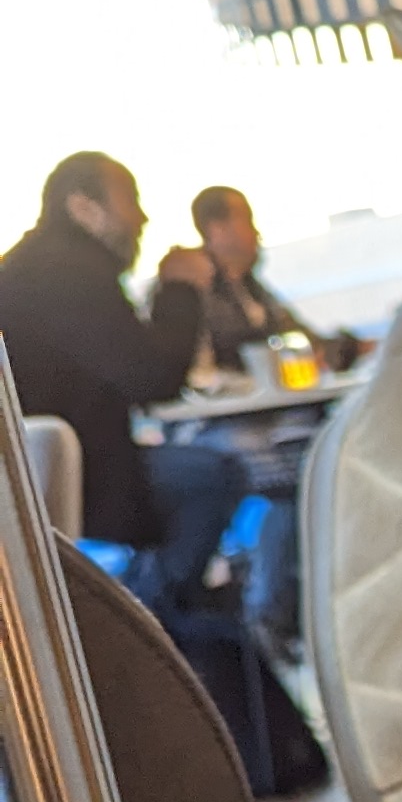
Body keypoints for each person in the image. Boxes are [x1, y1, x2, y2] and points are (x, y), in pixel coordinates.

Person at [0, 155, 234, 604]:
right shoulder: (67, 273)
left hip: (50, 471)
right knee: (215, 474)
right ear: (83, 207)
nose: (141, 218)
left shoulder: (37, 266)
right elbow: (152, 377)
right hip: (78, 477)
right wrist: (180, 289)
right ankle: (151, 613)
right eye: (130, 201)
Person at [185, 185, 364, 378]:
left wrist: (353, 348)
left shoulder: (251, 289)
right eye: (248, 221)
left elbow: (306, 341)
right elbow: (210, 370)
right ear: (217, 229)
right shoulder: (194, 294)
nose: (257, 234)